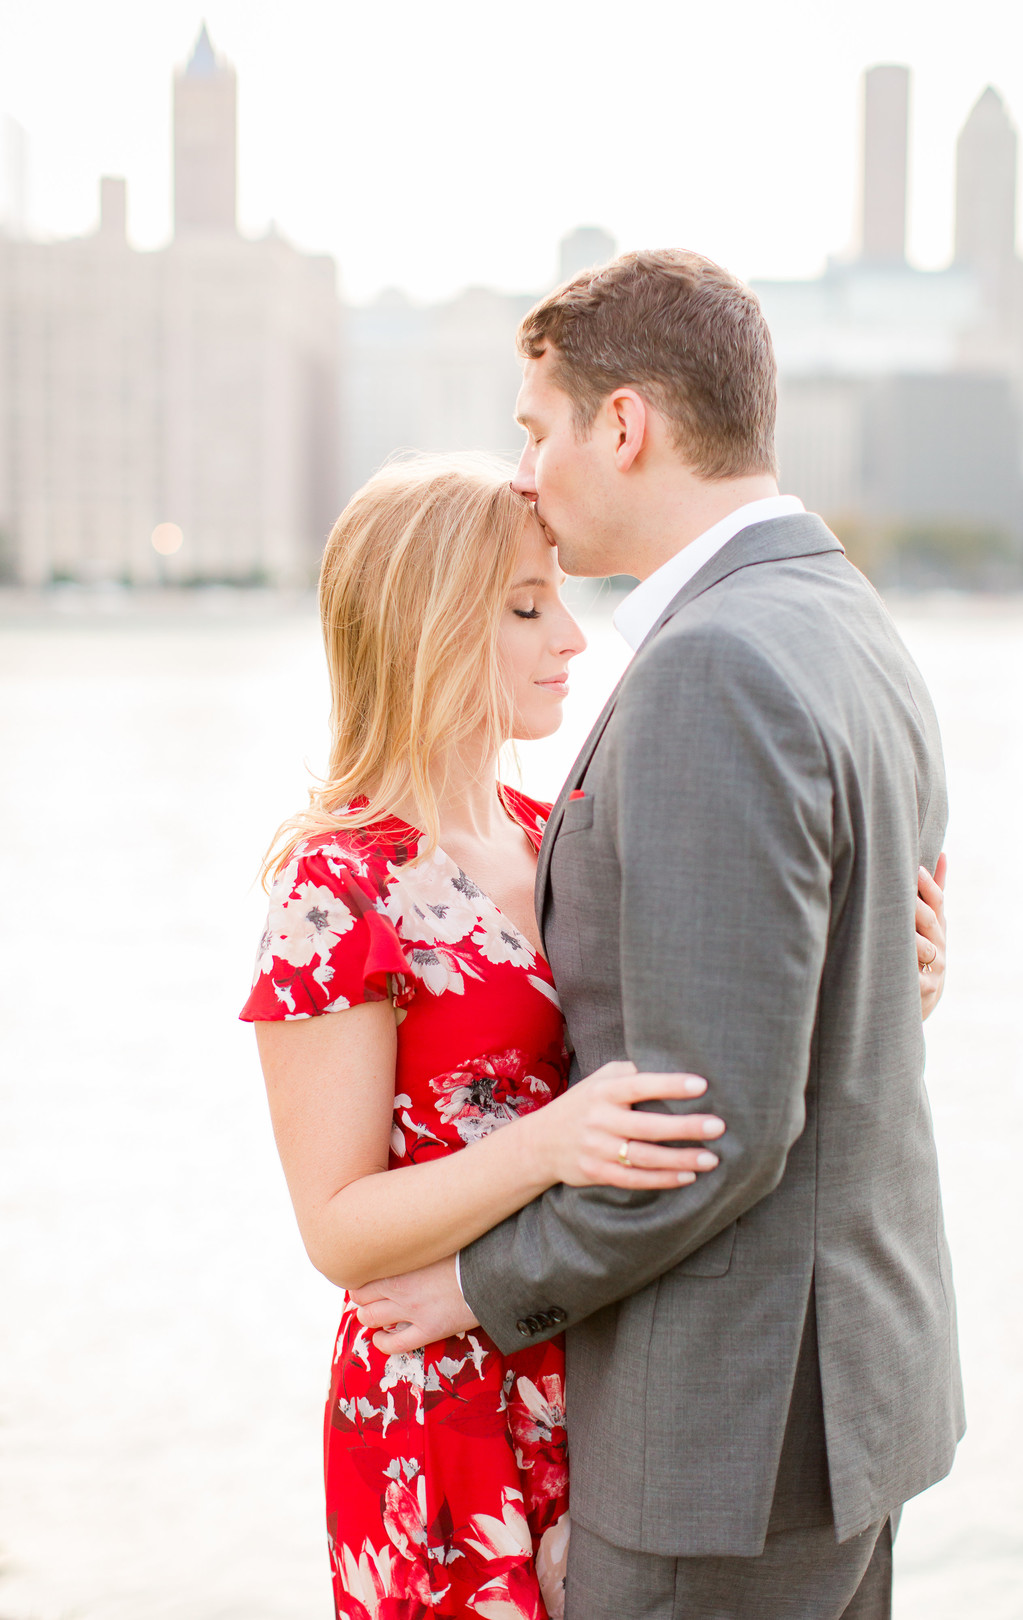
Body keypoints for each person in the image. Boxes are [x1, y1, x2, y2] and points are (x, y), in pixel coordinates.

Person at [348, 251, 960, 1620]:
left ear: (620, 426)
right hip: (848, 1401)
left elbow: (708, 1126)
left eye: (535, 426)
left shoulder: (711, 669)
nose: (525, 473)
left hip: (721, 1435)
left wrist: (478, 1284)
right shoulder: (845, 616)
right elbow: (818, 973)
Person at [242, 456, 743, 1620]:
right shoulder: (339, 886)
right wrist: (548, 1145)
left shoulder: (556, 830)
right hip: (439, 1417)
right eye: (526, 607)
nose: (570, 637)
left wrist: (890, 977)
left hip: (597, 1372)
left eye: (557, 597)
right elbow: (338, 1230)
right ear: (428, 626)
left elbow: (699, 1049)